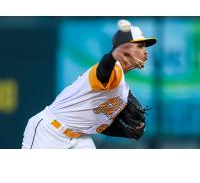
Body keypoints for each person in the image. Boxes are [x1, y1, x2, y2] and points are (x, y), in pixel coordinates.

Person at [22, 19, 157, 149]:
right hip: (49, 131)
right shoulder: (113, 70)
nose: (145, 51)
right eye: (139, 46)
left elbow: (97, 123)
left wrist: (133, 128)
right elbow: (103, 73)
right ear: (123, 49)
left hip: (80, 138)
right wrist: (112, 56)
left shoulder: (123, 90)